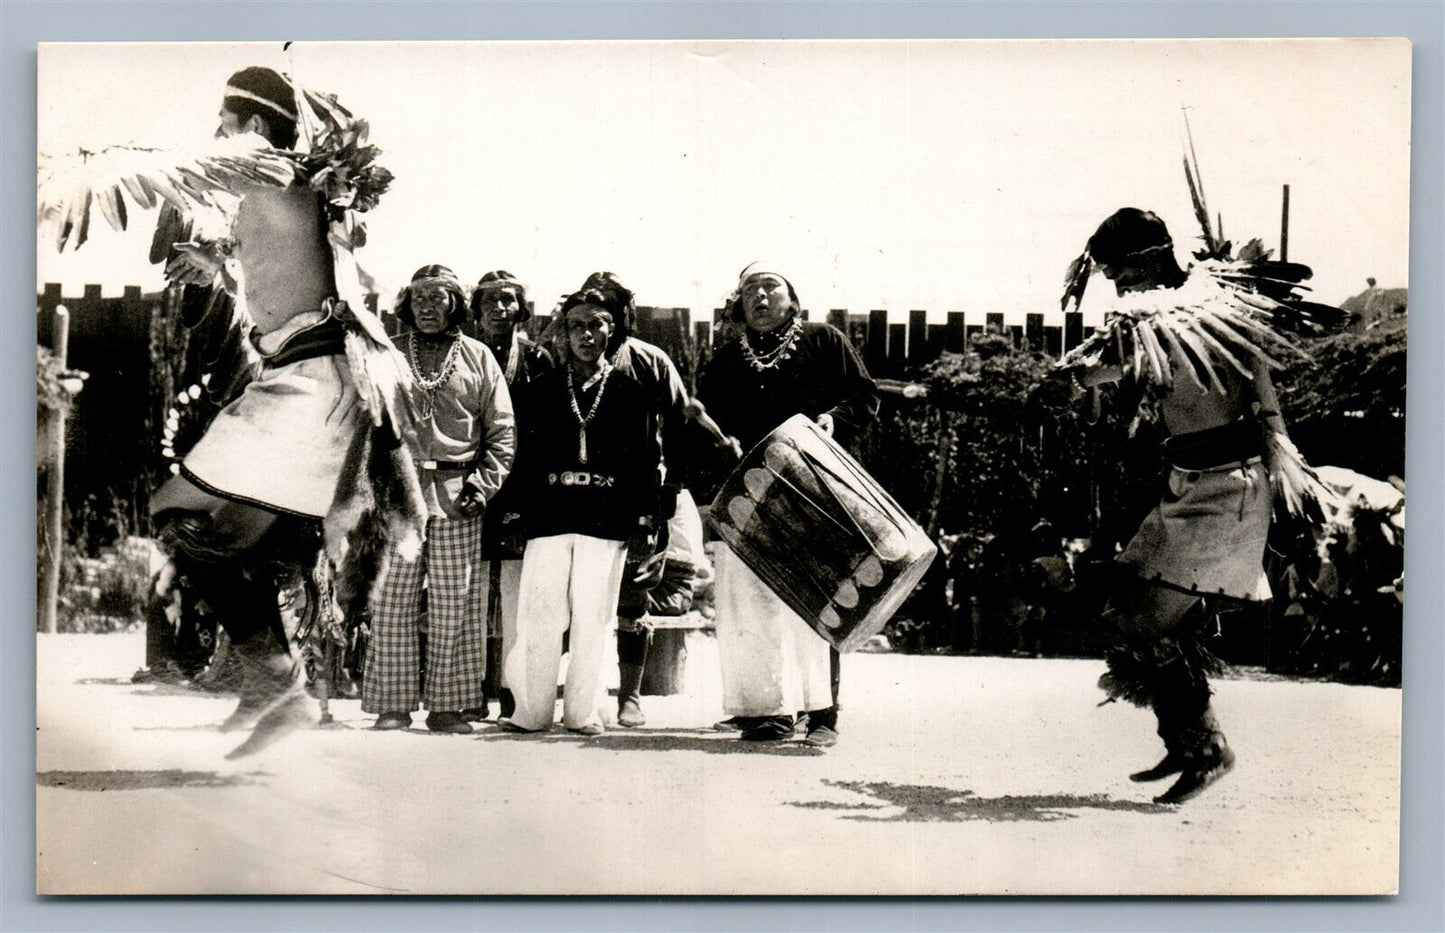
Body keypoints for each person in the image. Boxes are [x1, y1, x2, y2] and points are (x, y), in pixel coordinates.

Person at [101, 66, 422, 758]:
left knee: (170, 511)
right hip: (305, 383)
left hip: (312, 383)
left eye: (226, 119)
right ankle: (274, 684)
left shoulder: (272, 176)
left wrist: (106, 169)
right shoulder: (275, 191)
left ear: (255, 127)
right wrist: (213, 259)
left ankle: (276, 678)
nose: (215, 132)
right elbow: (278, 259)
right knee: (216, 535)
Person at [1054, 207, 1333, 803]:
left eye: (1118, 271)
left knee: (1148, 623)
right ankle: (1185, 742)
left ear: (1151, 258)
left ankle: (1206, 749)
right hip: (1187, 483)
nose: (1114, 285)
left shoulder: (1205, 313)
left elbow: (1258, 397)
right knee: (1129, 612)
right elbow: (1126, 380)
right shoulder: (1173, 316)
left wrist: (1090, 374)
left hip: (1228, 488)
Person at [501, 272, 696, 736]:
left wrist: (647, 518)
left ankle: (583, 712)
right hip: (548, 517)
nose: (586, 335)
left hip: (607, 521)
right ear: (564, 333)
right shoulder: (540, 390)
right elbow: (520, 460)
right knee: (540, 616)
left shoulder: (633, 394)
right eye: (576, 327)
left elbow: (647, 462)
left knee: (594, 618)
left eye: (597, 325)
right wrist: (513, 513)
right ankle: (530, 711)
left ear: (614, 331)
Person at [696, 262, 879, 747]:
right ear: (738, 303)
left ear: (791, 298)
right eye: (750, 290)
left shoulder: (824, 341)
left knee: (813, 598)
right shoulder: (725, 362)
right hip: (746, 496)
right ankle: (765, 713)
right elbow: (706, 424)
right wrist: (721, 447)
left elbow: (865, 396)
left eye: (769, 286)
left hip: (813, 491)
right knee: (747, 601)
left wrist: (834, 421)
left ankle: (820, 715)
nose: (760, 296)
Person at [361, 265, 515, 733]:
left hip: (458, 496)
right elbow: (364, 423)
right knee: (392, 600)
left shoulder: (479, 356)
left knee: (456, 602)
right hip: (398, 496)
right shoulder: (385, 353)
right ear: (407, 304)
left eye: (439, 297)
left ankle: (447, 706)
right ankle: (393, 705)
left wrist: (482, 486)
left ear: (455, 304)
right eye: (419, 298)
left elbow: (502, 433)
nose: (428, 307)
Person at [463, 270, 554, 723]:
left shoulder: (539, 361)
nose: (499, 309)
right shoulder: (460, 357)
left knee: (520, 597)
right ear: (475, 310)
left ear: (521, 309)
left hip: (522, 491)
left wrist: (528, 498)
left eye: (508, 301)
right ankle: (471, 690)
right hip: (470, 490)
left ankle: (513, 693)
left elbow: (545, 435)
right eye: (489, 302)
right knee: (471, 593)